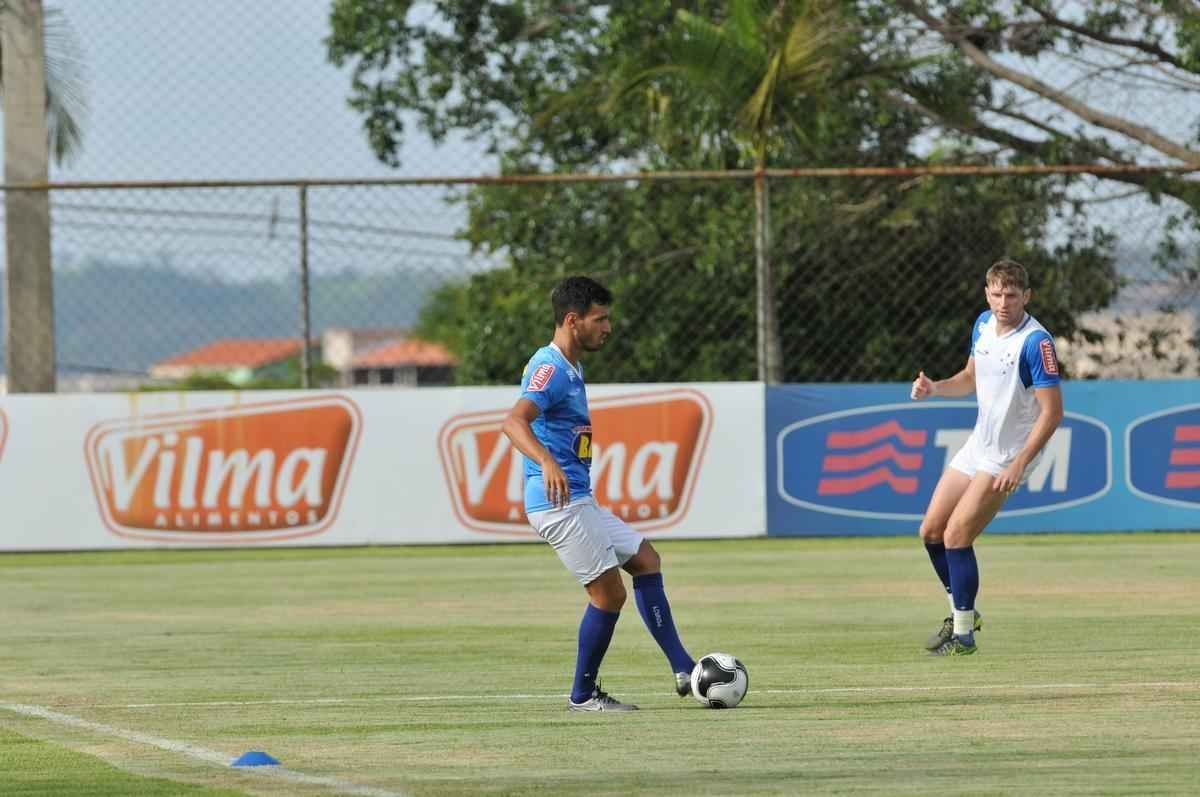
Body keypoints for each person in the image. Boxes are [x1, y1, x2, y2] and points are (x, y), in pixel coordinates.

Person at [502, 275, 696, 711]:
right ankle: (583, 695)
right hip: (558, 504)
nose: (608, 327)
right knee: (608, 595)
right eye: (600, 319)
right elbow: (514, 422)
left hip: (578, 498)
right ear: (573, 321)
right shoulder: (549, 369)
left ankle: (685, 668)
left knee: (646, 560)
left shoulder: (571, 367)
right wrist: (546, 460)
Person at [910, 259, 1063, 656]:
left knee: (957, 535)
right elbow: (969, 377)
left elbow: (1053, 412)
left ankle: (963, 636)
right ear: (987, 294)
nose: (1003, 302)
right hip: (980, 443)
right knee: (930, 531)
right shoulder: (982, 323)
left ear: (1026, 296)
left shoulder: (1035, 343)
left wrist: (1019, 462)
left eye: (1012, 295)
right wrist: (935, 388)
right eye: (996, 294)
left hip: (1010, 454)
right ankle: (963, 612)